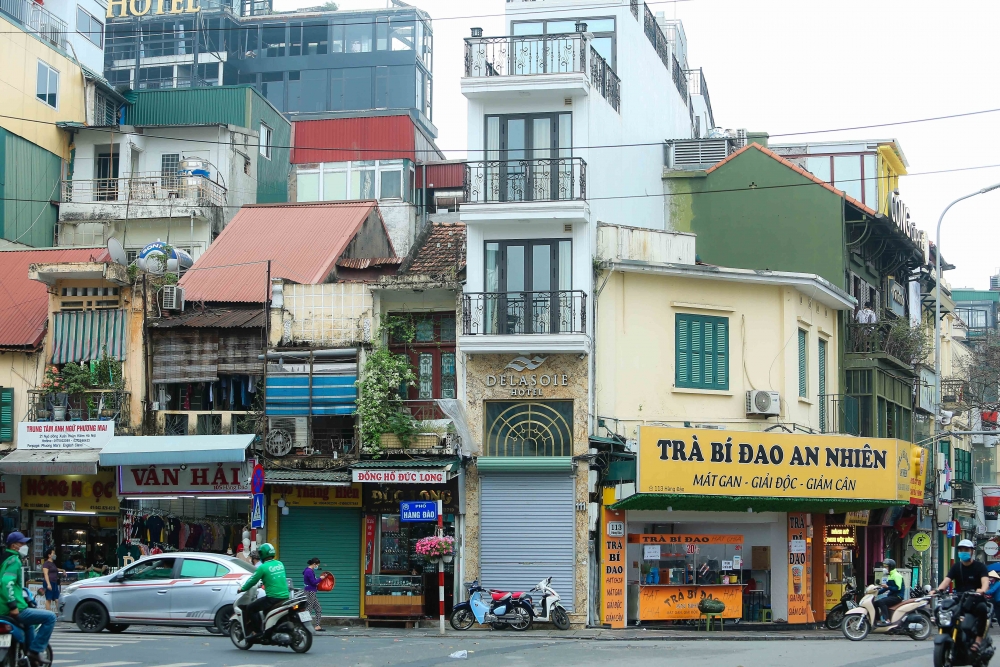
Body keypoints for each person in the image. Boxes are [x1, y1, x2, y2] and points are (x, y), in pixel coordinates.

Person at [1, 533, 56, 666]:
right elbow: (6, 583)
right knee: (50, 617)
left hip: (2, 608)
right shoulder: (14, 560)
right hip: (14, 609)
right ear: (14, 546)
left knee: (29, 624)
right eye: (22, 544)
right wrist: (13, 606)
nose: (25, 546)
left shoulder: (4, 559)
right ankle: (35, 651)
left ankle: (28, 653)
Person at [937, 539, 990, 654]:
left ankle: (978, 640)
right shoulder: (956, 567)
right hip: (959, 600)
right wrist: (937, 590)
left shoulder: (980, 567)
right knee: (944, 609)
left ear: (972, 552)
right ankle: (949, 635)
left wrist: (982, 590)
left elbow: (985, 581)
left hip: (976, 599)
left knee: (982, 609)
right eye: (961, 550)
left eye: (966, 550)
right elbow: (946, 581)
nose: (963, 552)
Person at [238, 543, 289, 640]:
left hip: (273, 598)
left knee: (251, 608)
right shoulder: (280, 564)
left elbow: (252, 580)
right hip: (285, 596)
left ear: (262, 554)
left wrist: (242, 588)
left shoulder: (262, 567)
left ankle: (257, 631)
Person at [873, 559, 903, 626]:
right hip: (892, 596)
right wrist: (875, 593)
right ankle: (878, 620)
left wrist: (888, 587)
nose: (885, 569)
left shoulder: (896, 576)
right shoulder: (890, 576)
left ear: (891, 567)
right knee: (875, 603)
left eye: (886, 567)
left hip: (897, 596)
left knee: (881, 602)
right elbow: (885, 588)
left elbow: (898, 588)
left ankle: (887, 620)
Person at [302, 558, 324, 632]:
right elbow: (313, 582)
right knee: (309, 608)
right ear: (314, 564)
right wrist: (321, 578)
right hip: (310, 591)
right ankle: (306, 626)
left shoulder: (308, 570)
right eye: (317, 565)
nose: (317, 566)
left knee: (318, 608)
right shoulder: (309, 571)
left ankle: (317, 626)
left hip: (311, 591)